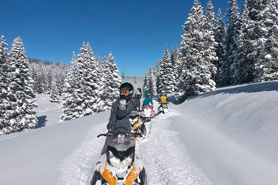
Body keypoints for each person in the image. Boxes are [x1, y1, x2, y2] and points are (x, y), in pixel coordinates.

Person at [101, 82, 135, 154]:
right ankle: (102, 161)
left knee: (129, 150)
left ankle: (132, 163)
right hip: (115, 130)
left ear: (130, 93)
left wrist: (134, 127)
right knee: (107, 148)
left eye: (125, 92)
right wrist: (110, 127)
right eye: (122, 92)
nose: (123, 94)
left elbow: (126, 115)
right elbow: (112, 117)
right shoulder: (115, 104)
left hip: (126, 131)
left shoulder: (131, 104)